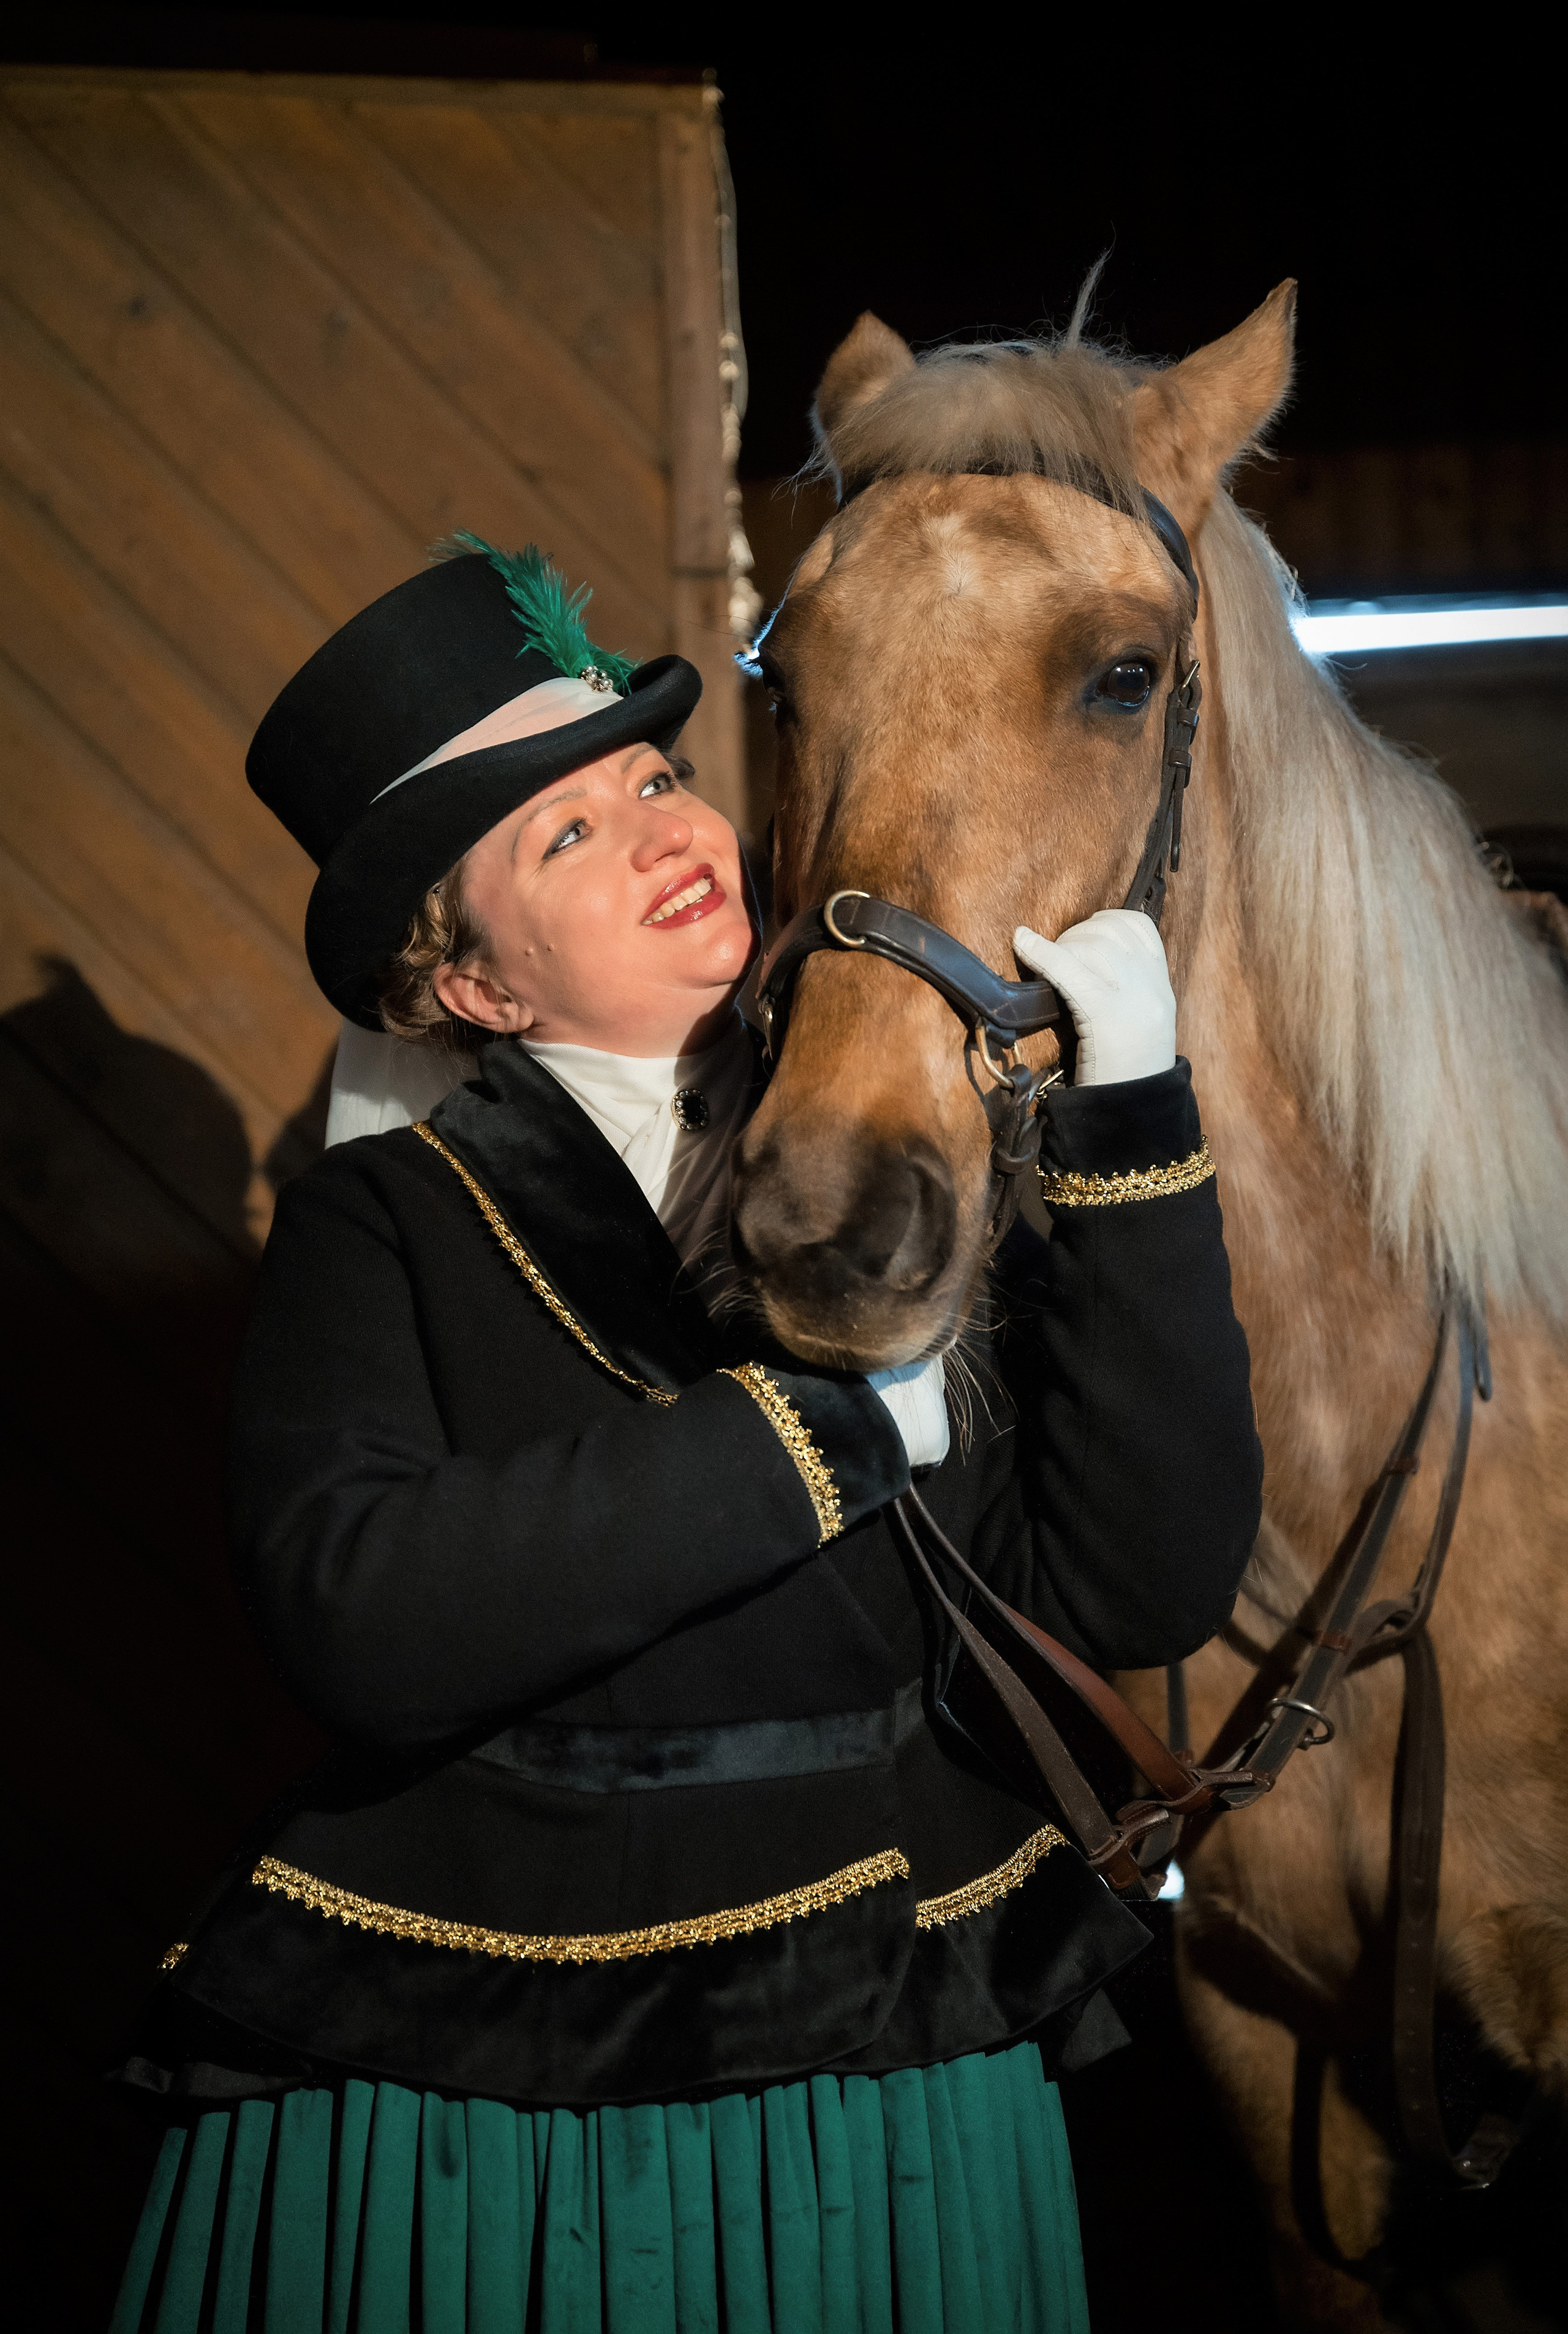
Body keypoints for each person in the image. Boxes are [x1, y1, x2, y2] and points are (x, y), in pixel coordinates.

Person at [110, 537, 1263, 2333]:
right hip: (503, 2072)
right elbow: (363, 1610)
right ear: (475, 986)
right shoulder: (387, 1220)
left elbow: (1140, 1573)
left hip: (890, 2030)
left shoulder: (905, 1144)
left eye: (654, 777)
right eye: (565, 836)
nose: (661, 829)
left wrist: (1133, 1129)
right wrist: (816, 1437)